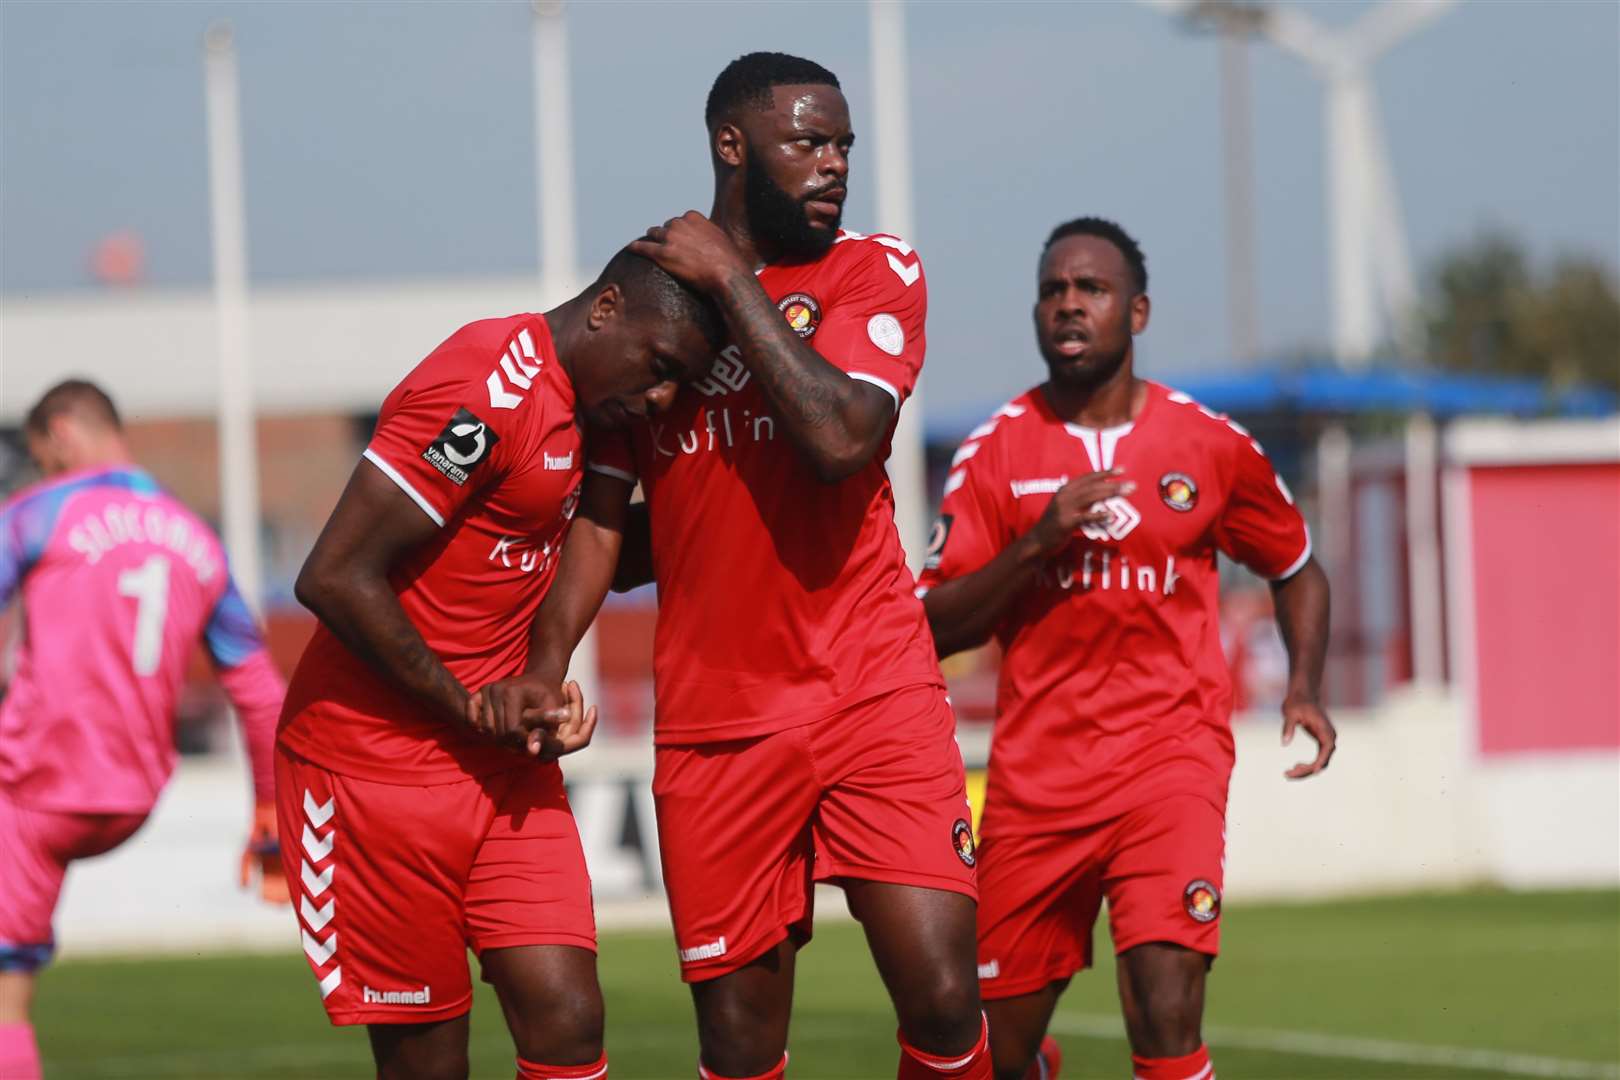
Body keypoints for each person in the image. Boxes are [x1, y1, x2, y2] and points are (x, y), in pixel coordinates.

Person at [477, 52, 990, 1080]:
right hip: (719, 725)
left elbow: (843, 438)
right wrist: (545, 665)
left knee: (942, 998)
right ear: (732, 147)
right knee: (741, 1045)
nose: (833, 162)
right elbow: (603, 519)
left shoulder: (874, 270)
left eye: (842, 143)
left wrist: (732, 280)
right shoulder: (656, 298)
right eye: (807, 141)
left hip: (871, 688)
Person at [275, 248, 725, 1080]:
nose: (662, 396)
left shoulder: (607, 409)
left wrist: (541, 684)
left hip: (503, 768)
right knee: (430, 1064)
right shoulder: (484, 386)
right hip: (373, 771)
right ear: (605, 309)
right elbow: (333, 574)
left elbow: (595, 534)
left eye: (679, 383)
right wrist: (466, 703)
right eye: (660, 367)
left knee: (568, 1019)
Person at [915, 217, 1338, 1080]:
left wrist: (1304, 687)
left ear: (1137, 313)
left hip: (1169, 762)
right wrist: (1035, 544)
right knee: (991, 1052)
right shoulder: (994, 453)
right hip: (1039, 780)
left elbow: (1296, 566)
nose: (1069, 305)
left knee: (1165, 1009)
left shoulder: (1210, 445)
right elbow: (933, 626)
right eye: (1053, 291)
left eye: (1091, 289)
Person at [0, 380, 287, 1080]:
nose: (42, 470)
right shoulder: (197, 539)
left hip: (30, 784)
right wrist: (273, 816)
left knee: (3, 1003)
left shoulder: (37, 514)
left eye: (41, 456)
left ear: (61, 432)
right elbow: (262, 693)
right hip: (129, 797)